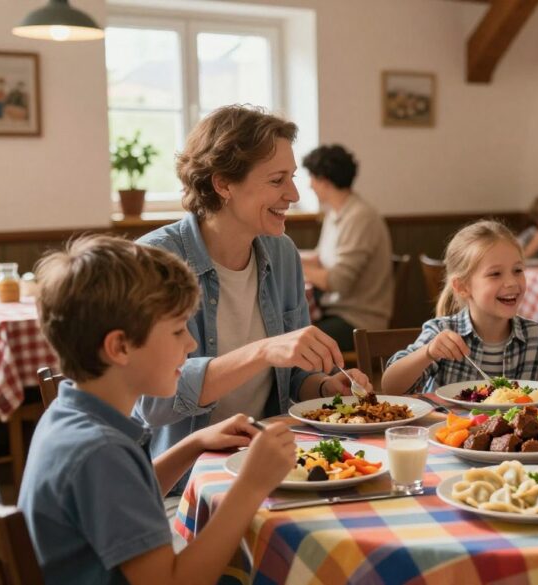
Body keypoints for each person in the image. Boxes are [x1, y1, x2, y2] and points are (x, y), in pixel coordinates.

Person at [19, 234, 296, 584]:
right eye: (178, 330)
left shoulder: (69, 416)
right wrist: (252, 486)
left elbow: (124, 495)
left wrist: (193, 445)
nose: (192, 343)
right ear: (120, 347)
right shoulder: (100, 452)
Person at [136, 106, 370, 485]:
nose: (293, 194)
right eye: (277, 180)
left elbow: (294, 380)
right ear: (224, 184)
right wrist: (263, 351)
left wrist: (326, 387)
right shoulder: (156, 260)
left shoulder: (282, 254)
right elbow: (153, 403)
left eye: (292, 178)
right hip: (186, 484)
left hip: (270, 468)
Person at [383, 220, 538, 394]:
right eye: (495, 274)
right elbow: (390, 387)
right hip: (447, 426)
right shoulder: (442, 333)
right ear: (462, 287)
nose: (511, 282)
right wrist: (427, 353)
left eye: (518, 270)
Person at [300, 144, 394, 350]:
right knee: (290, 332)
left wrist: (293, 265)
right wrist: (288, 255)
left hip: (360, 322)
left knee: (296, 340)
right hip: (338, 312)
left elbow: (337, 282)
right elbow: (320, 257)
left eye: (312, 179)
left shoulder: (360, 217)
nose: (310, 186)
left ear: (324, 181)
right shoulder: (337, 213)